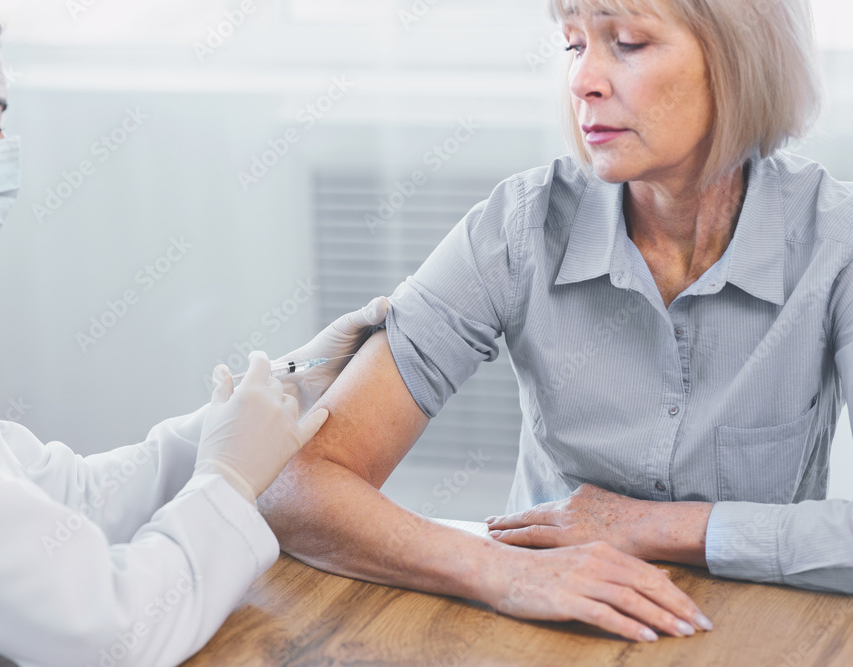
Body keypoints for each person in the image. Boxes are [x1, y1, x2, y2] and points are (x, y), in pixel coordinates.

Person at [260, 0, 852, 645]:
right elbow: (296, 485)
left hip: (760, 634)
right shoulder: (520, 227)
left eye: (627, 43)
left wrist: (652, 525)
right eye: (574, 47)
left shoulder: (835, 242)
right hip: (544, 630)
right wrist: (499, 572)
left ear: (739, 61)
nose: (582, 82)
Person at [0, 1, 388, 665]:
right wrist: (225, 480)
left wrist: (291, 380)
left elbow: (61, 494)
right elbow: (107, 631)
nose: (1, 154)